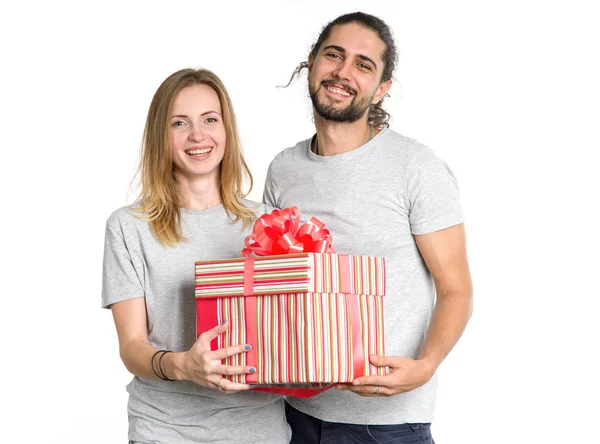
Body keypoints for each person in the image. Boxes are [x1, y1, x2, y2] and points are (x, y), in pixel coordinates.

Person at [263, 12, 473, 444]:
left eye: (363, 64)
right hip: (292, 413)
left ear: (381, 88)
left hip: (387, 423)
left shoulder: (416, 168)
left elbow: (457, 289)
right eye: (333, 55)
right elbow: (272, 285)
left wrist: (425, 365)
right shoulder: (283, 169)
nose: (342, 72)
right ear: (311, 63)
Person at [102, 68, 290, 444]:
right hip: (166, 431)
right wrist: (183, 365)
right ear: (161, 136)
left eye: (209, 119)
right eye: (179, 123)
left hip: (259, 430)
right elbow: (132, 348)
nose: (197, 135)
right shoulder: (128, 227)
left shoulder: (268, 223)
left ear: (226, 130)